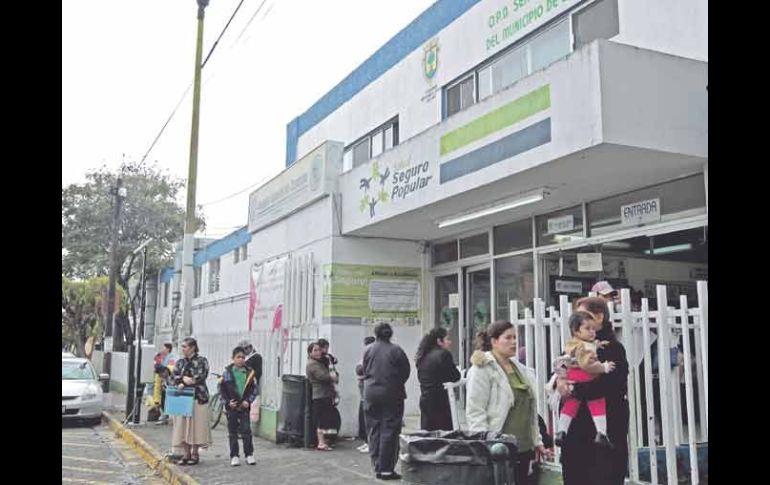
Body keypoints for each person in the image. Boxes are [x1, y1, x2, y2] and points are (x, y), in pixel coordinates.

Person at [466, 320, 552, 485]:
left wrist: (537, 441)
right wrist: (484, 445)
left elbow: (531, 412)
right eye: (508, 338)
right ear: (494, 341)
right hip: (498, 449)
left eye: (515, 338)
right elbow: (475, 411)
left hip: (524, 447)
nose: (514, 342)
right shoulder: (482, 369)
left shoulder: (521, 369)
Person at [554, 297, 630, 485]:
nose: (579, 320)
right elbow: (561, 371)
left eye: (584, 315)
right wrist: (560, 382)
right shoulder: (574, 347)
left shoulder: (612, 349)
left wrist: (576, 388)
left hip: (604, 435)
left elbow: (614, 384)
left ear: (599, 317)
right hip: (575, 435)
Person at [553, 311, 616, 448]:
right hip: (585, 377)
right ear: (576, 331)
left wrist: (597, 345)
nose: (592, 332)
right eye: (587, 328)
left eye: (593, 328)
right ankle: (601, 432)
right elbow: (587, 364)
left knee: (570, 405)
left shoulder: (574, 344)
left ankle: (561, 430)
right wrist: (603, 367)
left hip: (572, 377)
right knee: (597, 402)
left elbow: (588, 348)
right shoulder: (583, 347)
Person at [362, 323, 411, 481]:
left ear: (376, 334)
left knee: (374, 429)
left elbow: (364, 369)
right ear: (390, 334)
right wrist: (395, 383)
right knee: (389, 430)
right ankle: (386, 469)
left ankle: (377, 465)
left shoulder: (368, 349)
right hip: (392, 393)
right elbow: (405, 371)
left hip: (370, 394)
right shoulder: (396, 350)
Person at [171, 337, 212, 465]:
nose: (183, 349)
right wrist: (182, 380)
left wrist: (188, 381)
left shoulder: (201, 361)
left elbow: (201, 375)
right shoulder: (180, 362)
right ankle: (186, 453)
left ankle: (195, 453)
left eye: (185, 346)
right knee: (182, 426)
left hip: (198, 398)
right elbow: (173, 376)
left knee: (196, 426)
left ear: (193, 347)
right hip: (182, 399)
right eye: (182, 347)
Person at [415, 327, 460, 431]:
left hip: (425, 400)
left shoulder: (423, 356)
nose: (450, 342)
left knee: (428, 437)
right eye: (447, 339)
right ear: (439, 341)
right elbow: (455, 376)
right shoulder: (443, 355)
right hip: (440, 403)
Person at [220, 346, 259, 466]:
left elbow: (254, 389)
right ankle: (234, 455)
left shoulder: (249, 373)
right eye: (238, 357)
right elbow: (222, 391)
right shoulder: (227, 373)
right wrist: (227, 403)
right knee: (233, 432)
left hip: (244, 406)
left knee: (246, 430)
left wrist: (249, 401)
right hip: (232, 407)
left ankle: (249, 454)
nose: (241, 359)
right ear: (233, 358)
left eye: (243, 357)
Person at [306, 341, 338, 451]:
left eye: (319, 350)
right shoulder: (312, 364)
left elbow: (334, 375)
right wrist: (332, 376)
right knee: (321, 419)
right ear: (310, 353)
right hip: (320, 394)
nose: (318, 352)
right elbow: (324, 376)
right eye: (315, 350)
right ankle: (320, 442)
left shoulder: (321, 362)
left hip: (326, 394)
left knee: (326, 418)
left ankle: (325, 440)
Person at [355, 336, 376, 453]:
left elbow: (361, 369)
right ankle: (366, 441)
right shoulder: (367, 354)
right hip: (364, 392)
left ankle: (370, 442)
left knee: (369, 419)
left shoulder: (372, 355)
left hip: (369, 392)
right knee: (363, 418)